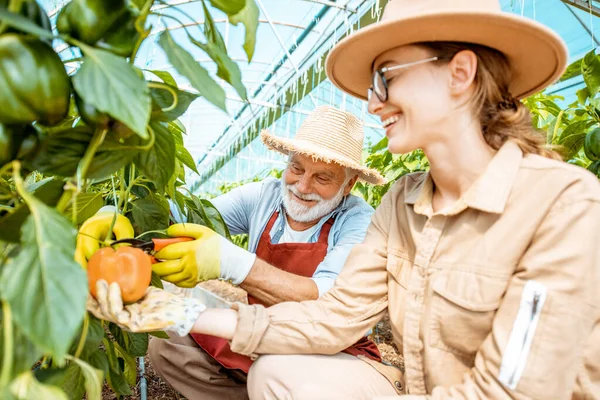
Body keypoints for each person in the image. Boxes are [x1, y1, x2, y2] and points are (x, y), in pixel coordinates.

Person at [86, 0, 600, 398]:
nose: (374, 101)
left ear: (460, 74)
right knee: (281, 377)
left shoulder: (564, 205)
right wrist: (173, 311)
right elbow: (333, 316)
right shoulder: (404, 201)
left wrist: (230, 268)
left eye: (386, 75)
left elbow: (511, 390)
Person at [79, 105, 386, 399]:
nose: (303, 186)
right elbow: (185, 217)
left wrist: (231, 262)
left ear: (348, 185)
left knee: (275, 371)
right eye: (296, 168)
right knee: (169, 345)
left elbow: (327, 301)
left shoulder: (358, 221)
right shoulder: (264, 197)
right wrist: (118, 209)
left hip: (330, 354)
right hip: (260, 336)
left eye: (322, 177)